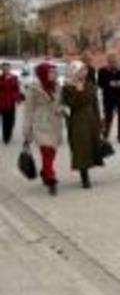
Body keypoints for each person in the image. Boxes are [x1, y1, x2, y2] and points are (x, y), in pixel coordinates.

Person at [22, 62, 63, 196]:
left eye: (54, 72)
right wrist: (27, 131)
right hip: (41, 123)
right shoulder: (33, 89)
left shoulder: (57, 86)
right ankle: (51, 177)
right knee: (46, 150)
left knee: (52, 151)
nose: (53, 74)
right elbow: (28, 111)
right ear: (43, 73)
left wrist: (62, 109)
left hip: (55, 123)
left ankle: (45, 171)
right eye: (50, 72)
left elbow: (60, 103)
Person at [61, 61, 102, 189]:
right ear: (74, 72)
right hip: (77, 121)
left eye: (84, 70)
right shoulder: (67, 87)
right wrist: (78, 91)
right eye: (80, 70)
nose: (84, 73)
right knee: (80, 149)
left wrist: (99, 120)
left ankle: (88, 170)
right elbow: (71, 105)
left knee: (90, 147)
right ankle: (84, 177)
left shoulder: (90, 85)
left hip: (91, 120)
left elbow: (95, 104)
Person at [97, 53, 120, 142]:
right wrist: (109, 84)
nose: (113, 63)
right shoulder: (102, 71)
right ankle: (105, 134)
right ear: (108, 61)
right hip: (108, 98)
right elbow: (100, 83)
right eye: (111, 61)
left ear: (118, 61)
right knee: (108, 117)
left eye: (114, 61)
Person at [0, 61, 24, 144]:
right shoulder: (0, 78)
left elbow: (17, 89)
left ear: (10, 69)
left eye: (7, 67)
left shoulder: (14, 78)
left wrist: (18, 99)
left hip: (11, 102)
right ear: (2, 69)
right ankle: (6, 137)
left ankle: (9, 133)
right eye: (4, 68)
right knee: (4, 120)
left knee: (11, 120)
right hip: (2, 103)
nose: (6, 69)